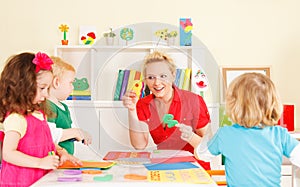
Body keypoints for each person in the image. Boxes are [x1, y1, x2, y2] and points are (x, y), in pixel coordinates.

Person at [194, 72, 300, 187]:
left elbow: (201, 154)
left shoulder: (225, 134)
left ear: (233, 105)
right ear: (273, 104)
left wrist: (207, 135)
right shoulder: (280, 134)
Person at [0, 52, 82, 186]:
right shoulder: (17, 118)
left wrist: (61, 152)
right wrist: (39, 162)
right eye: (42, 88)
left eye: (47, 88)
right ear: (23, 86)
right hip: (20, 181)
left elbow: (46, 141)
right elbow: (8, 153)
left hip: (39, 179)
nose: (46, 93)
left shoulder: (39, 114)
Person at [122, 51, 211, 169]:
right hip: (163, 166)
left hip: (195, 167)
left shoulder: (194, 101)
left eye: (163, 76)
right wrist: (132, 110)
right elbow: (139, 145)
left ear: (173, 75)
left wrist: (190, 136)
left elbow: (208, 148)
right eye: (151, 77)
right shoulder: (143, 104)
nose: (157, 83)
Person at [46, 56, 92, 155]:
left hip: (65, 160)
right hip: (54, 160)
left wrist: (81, 133)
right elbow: (48, 135)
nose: (72, 87)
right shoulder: (47, 106)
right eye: (70, 83)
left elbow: (67, 130)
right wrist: (75, 132)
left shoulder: (63, 107)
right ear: (56, 82)